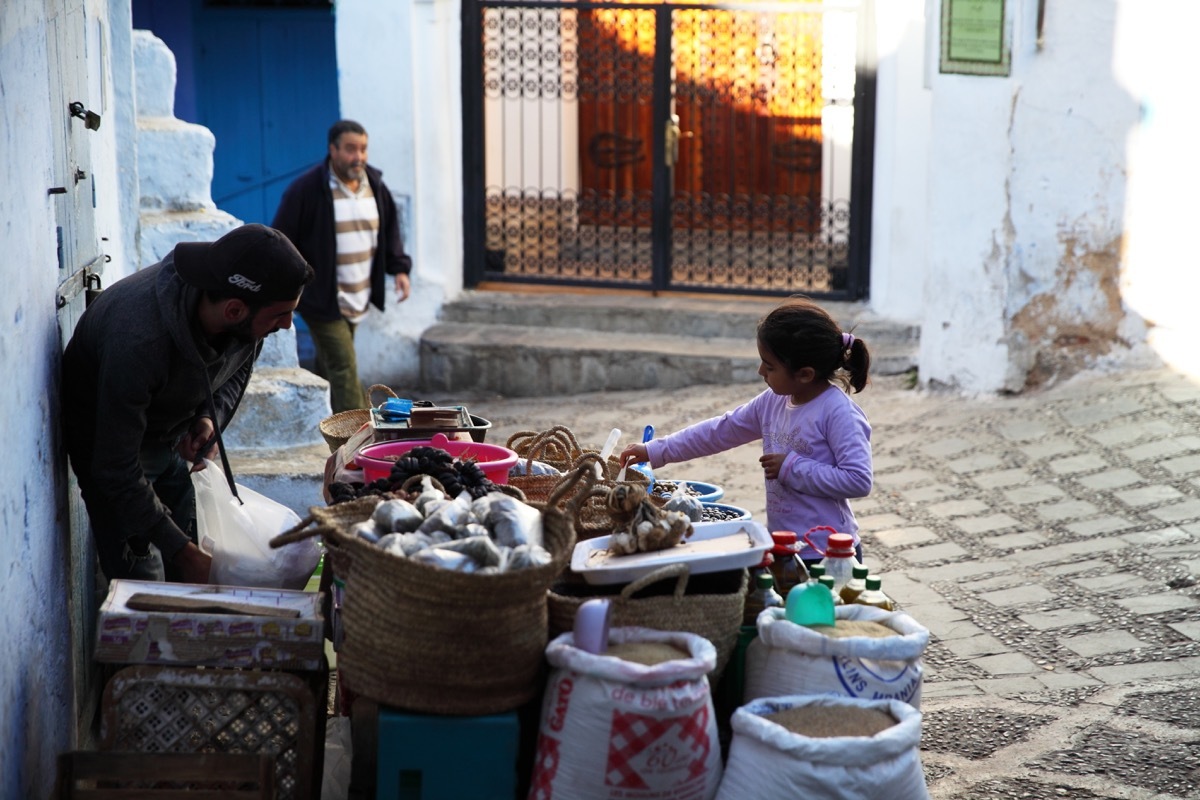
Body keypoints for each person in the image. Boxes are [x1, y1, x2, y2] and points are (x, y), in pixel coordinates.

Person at [62, 224, 315, 584]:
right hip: (111, 448)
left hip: (168, 434)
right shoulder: (139, 340)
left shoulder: (250, 319)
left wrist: (209, 418)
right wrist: (180, 551)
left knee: (196, 555)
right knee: (144, 586)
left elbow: (236, 371)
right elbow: (113, 467)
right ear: (233, 310)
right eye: (280, 315)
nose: (288, 325)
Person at [619, 296, 873, 562]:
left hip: (828, 551)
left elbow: (858, 479)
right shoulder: (773, 401)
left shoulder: (838, 412)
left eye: (770, 366)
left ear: (805, 374)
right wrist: (656, 450)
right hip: (783, 544)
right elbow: (721, 430)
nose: (760, 370)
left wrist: (791, 468)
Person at [272, 119, 413, 413]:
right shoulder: (307, 190)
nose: (358, 157)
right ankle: (359, 436)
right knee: (344, 366)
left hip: (358, 294)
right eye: (350, 149)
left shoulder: (374, 185)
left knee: (329, 364)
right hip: (321, 297)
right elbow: (281, 239)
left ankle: (320, 420)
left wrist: (399, 269)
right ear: (332, 150)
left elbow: (390, 231)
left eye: (363, 149)